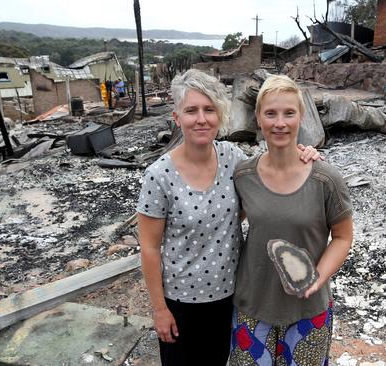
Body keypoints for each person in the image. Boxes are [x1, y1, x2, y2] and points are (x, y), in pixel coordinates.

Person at [136, 69, 320, 366]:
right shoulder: (159, 176)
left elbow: (270, 174)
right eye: (191, 110)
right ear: (176, 117)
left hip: (230, 298)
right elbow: (148, 247)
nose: (201, 118)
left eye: (209, 109)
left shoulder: (233, 159)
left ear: (220, 115)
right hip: (181, 304)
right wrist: (159, 309)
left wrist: (303, 153)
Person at [229, 75, 354, 365]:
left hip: (308, 309)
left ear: (301, 117)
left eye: (289, 113)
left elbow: (343, 237)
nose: (280, 123)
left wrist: (318, 277)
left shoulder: (325, 178)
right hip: (252, 304)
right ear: (258, 119)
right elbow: (230, 222)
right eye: (270, 113)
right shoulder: (243, 175)